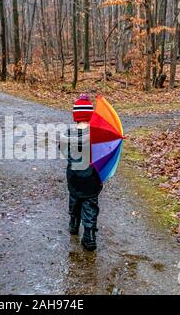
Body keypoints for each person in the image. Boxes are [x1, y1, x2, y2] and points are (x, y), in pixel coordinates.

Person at [61, 94, 103, 251]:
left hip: (74, 177)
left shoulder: (68, 133)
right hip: (91, 178)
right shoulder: (96, 135)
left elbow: (63, 151)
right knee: (90, 205)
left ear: (75, 117)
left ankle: (73, 224)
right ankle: (89, 236)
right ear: (91, 116)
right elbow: (101, 154)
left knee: (75, 199)